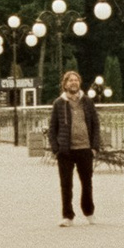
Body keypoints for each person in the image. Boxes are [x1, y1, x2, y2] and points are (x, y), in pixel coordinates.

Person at [49, 70, 101, 226]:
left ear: (79, 83)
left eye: (76, 80)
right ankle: (67, 216)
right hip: (66, 151)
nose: (73, 83)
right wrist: (56, 149)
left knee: (87, 182)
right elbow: (52, 128)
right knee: (66, 184)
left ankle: (89, 212)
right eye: (70, 80)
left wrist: (94, 147)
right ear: (65, 84)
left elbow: (95, 125)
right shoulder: (59, 103)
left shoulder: (87, 102)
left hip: (85, 148)